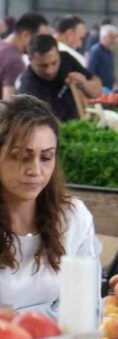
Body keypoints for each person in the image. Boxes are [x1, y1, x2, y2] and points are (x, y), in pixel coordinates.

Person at [0, 95, 100, 317]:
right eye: (21, 157)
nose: (35, 170)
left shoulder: (73, 218)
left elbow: (84, 310)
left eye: (46, 157)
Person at [18, 35, 102, 122]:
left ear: (58, 54)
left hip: (76, 125)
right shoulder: (27, 87)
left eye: (54, 63)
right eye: (43, 66)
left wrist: (84, 84)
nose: (50, 71)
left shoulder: (66, 59)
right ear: (30, 60)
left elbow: (97, 92)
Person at [0, 13, 48, 100]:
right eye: (39, 39)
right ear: (25, 35)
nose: (42, 45)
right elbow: (8, 104)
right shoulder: (14, 61)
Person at [86, 24, 118, 90]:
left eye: (115, 38)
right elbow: (90, 71)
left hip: (108, 88)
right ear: (103, 37)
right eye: (112, 38)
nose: (114, 40)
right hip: (99, 88)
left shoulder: (109, 52)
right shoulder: (96, 51)